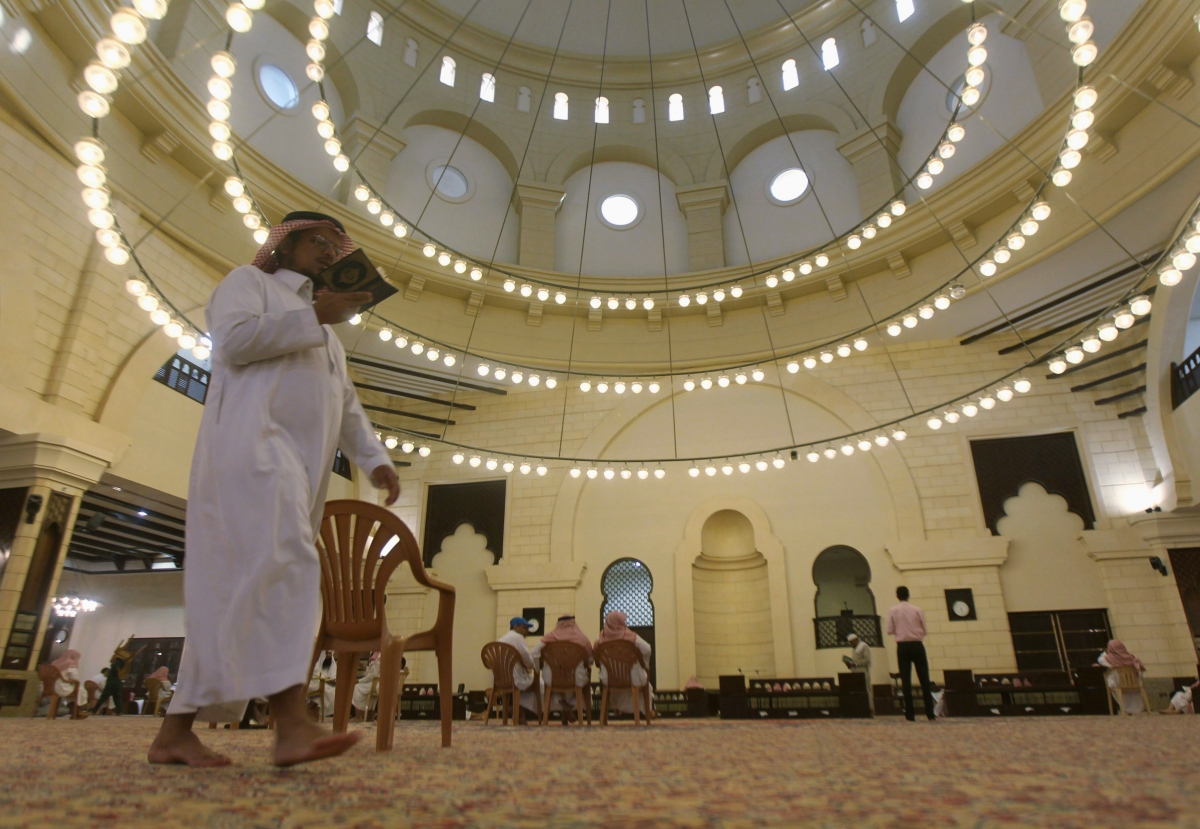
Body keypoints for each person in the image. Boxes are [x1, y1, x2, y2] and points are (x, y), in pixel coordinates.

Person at [148, 212, 399, 768]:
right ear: (283, 247)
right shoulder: (250, 283)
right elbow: (233, 342)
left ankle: (174, 734)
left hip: (302, 466)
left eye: (339, 247)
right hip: (251, 448)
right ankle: (290, 724)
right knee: (287, 561)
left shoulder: (328, 336)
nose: (331, 253)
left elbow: (346, 405)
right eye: (319, 242)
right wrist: (314, 316)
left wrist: (375, 460)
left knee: (241, 588)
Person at [886, 586, 936, 722]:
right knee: (924, 679)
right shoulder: (917, 610)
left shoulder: (893, 610)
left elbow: (889, 630)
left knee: (906, 680)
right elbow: (925, 630)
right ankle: (930, 713)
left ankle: (910, 714)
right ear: (908, 595)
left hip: (902, 647)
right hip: (917, 645)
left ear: (897, 596)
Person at [531, 615, 592, 724]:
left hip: (553, 678)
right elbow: (590, 660)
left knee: (555, 688)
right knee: (578, 688)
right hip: (576, 678)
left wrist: (538, 667)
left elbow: (534, 653)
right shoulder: (583, 639)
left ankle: (563, 707)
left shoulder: (549, 637)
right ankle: (570, 707)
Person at [594, 610, 654, 716]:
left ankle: (617, 709)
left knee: (615, 690)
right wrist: (643, 663)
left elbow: (596, 658)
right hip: (632, 678)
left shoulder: (600, 639)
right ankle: (647, 712)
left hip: (610, 679)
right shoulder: (630, 636)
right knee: (647, 686)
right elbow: (647, 649)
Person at [497, 617, 540, 721]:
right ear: (515, 627)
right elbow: (528, 659)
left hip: (499, 680)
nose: (527, 631)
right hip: (515, 679)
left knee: (526, 684)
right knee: (540, 685)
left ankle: (518, 710)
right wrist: (533, 666)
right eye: (525, 628)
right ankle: (520, 711)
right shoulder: (518, 638)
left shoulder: (501, 639)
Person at [1096, 639, 1147, 714]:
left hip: (1118, 684)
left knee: (1114, 683)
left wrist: (1106, 653)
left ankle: (1125, 709)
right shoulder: (1134, 657)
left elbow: (1100, 660)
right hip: (1135, 684)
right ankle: (1136, 709)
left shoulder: (1106, 659)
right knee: (1133, 692)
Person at [842, 633, 873, 713]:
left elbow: (867, 660)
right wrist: (848, 663)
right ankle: (860, 709)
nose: (851, 644)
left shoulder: (863, 646)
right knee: (857, 691)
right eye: (850, 643)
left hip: (863, 671)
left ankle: (869, 709)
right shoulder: (855, 649)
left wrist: (855, 663)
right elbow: (854, 662)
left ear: (856, 640)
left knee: (866, 690)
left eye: (852, 642)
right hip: (855, 673)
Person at [50, 649, 86, 716]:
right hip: (62, 687)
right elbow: (75, 678)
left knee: (74, 690)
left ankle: (74, 711)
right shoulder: (71, 664)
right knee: (81, 690)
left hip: (50, 687)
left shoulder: (55, 662)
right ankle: (77, 710)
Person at [351, 652, 381, 721]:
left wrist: (359, 681)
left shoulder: (377, 657)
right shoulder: (378, 655)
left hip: (376, 683)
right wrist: (361, 666)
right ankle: (369, 716)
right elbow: (371, 671)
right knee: (364, 690)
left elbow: (373, 675)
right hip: (378, 683)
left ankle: (359, 716)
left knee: (357, 687)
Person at [308, 651, 338, 720]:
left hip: (323, 683)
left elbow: (334, 675)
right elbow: (315, 673)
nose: (328, 655)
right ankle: (308, 708)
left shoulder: (332, 664)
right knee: (330, 692)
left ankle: (310, 709)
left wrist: (331, 679)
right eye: (326, 653)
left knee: (325, 694)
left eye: (330, 654)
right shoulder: (316, 662)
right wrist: (324, 678)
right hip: (313, 683)